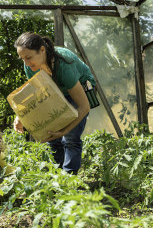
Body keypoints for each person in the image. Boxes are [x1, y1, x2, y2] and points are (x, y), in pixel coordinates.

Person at [13, 32, 94, 174]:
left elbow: (84, 107)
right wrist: (20, 117)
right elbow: (37, 95)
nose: (26, 63)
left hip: (79, 88)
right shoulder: (30, 67)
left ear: (42, 50)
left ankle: (69, 179)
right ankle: (57, 176)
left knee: (70, 138)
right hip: (56, 91)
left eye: (28, 57)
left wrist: (65, 130)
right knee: (52, 136)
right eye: (22, 59)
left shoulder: (64, 65)